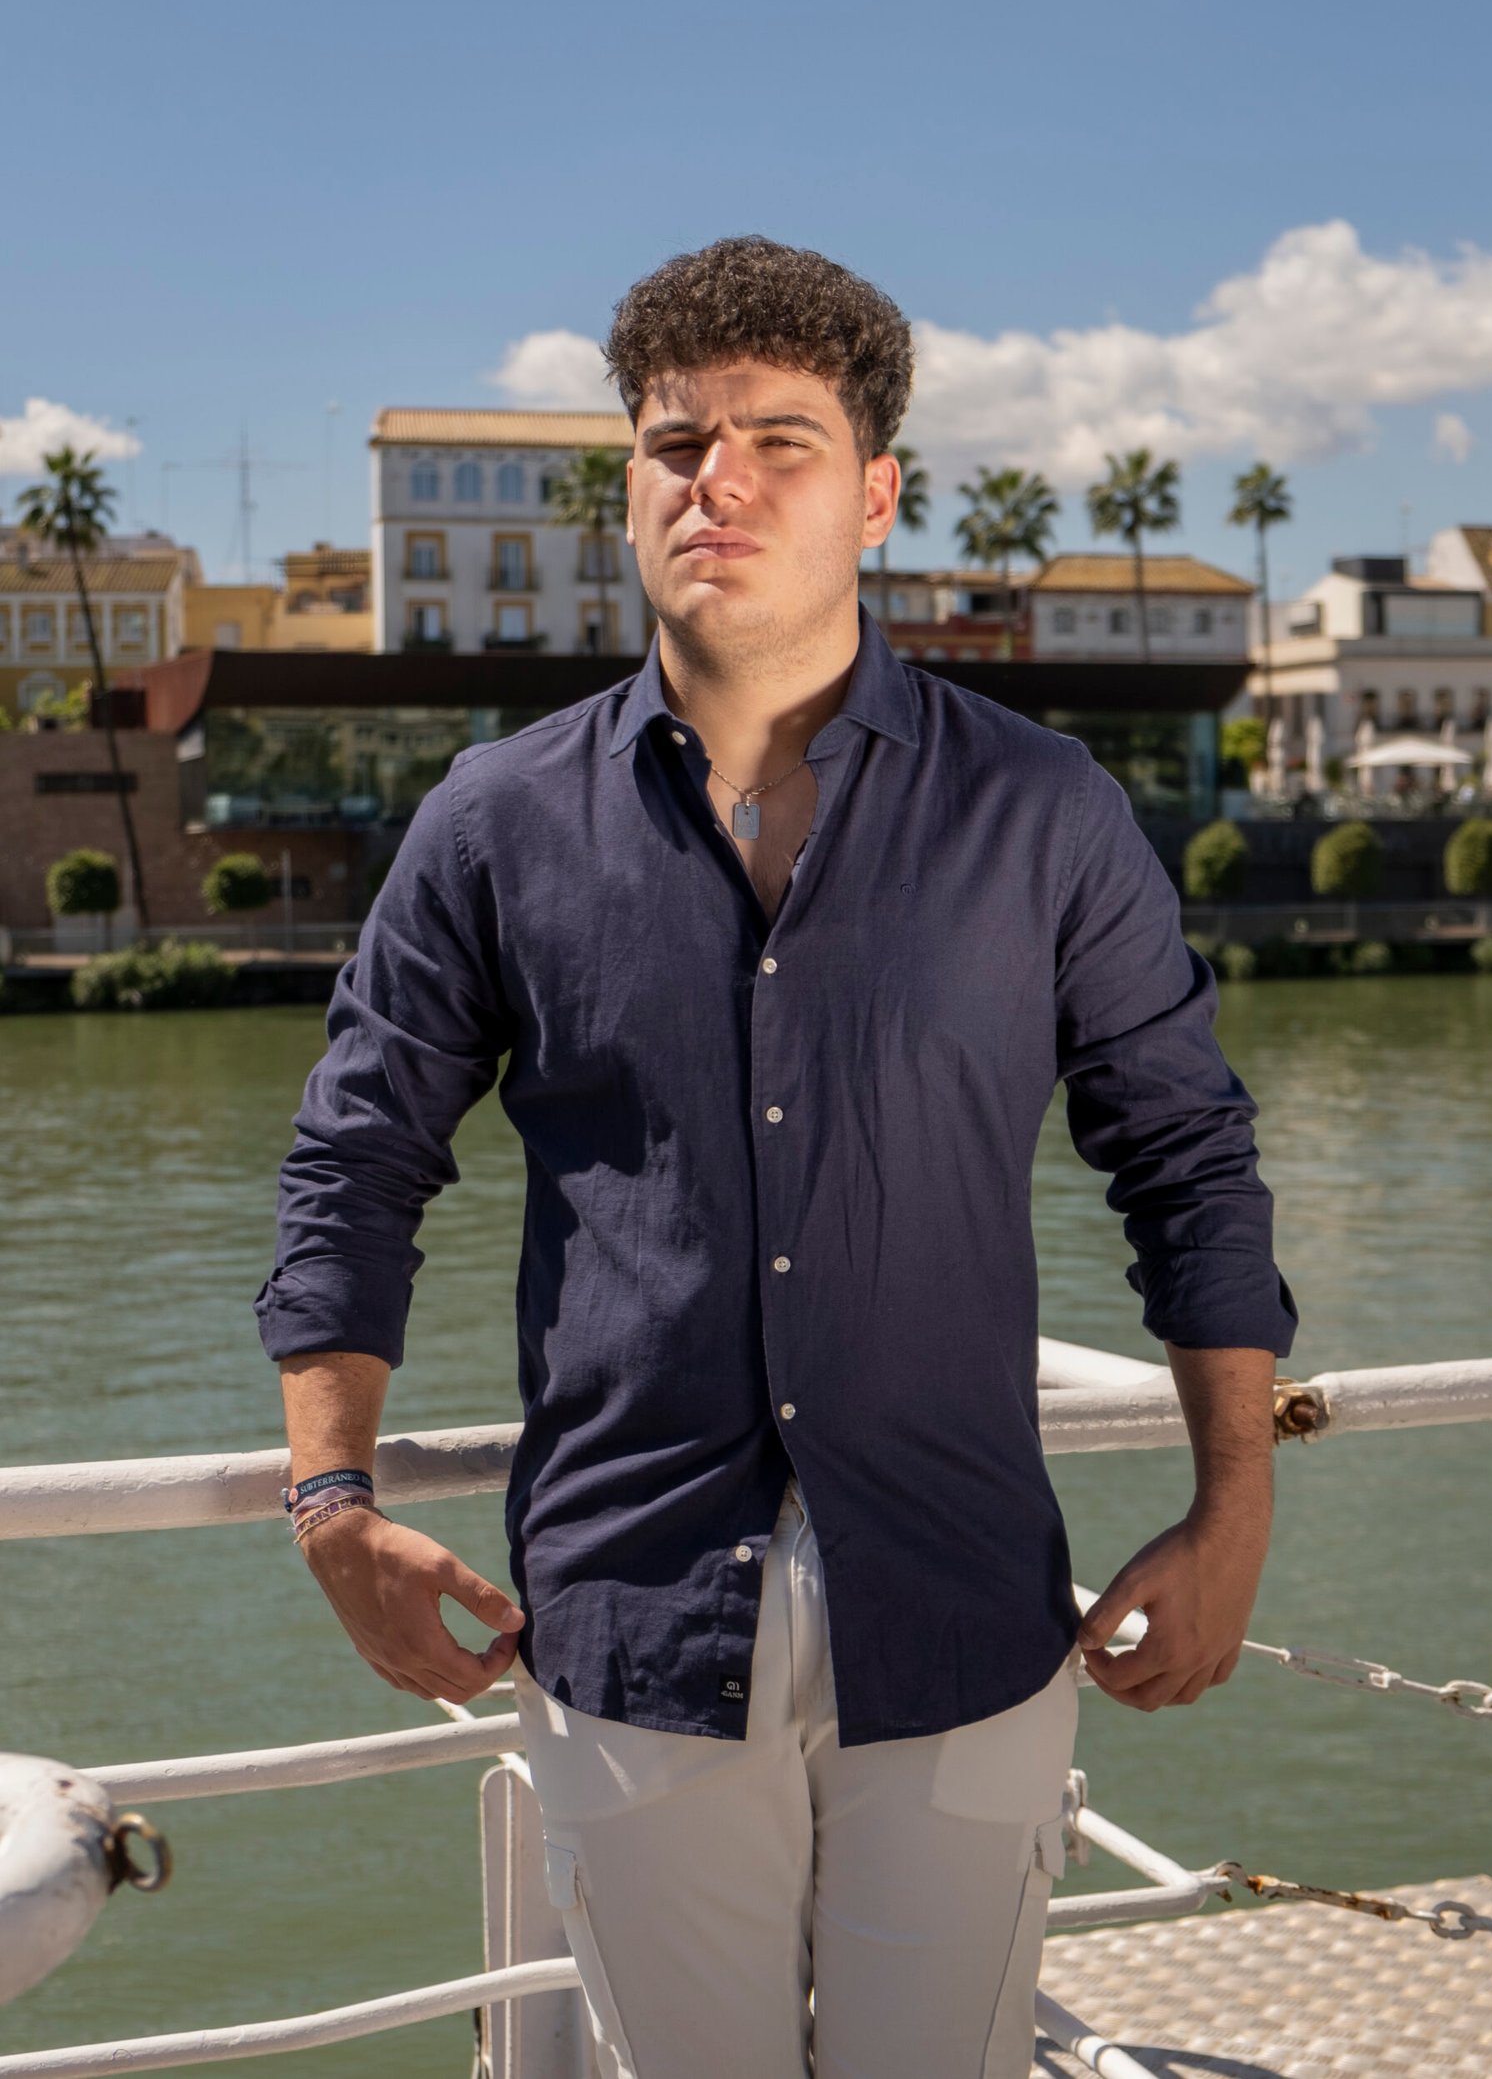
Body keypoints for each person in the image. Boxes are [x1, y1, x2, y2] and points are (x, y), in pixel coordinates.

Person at [256, 236, 1297, 2079]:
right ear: (628, 489)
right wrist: (331, 1502)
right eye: (675, 444)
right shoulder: (494, 822)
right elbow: (356, 1157)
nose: (715, 481)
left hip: (962, 1608)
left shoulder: (1042, 812)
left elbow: (1189, 1160)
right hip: (631, 1616)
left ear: (876, 495)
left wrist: (1235, 1510)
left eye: (778, 442)